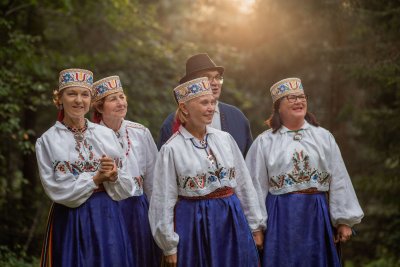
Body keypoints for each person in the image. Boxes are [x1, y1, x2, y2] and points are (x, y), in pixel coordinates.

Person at [245, 78, 364, 266]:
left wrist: (344, 220)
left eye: (302, 97)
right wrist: (256, 228)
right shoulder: (264, 142)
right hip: (280, 217)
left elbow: (339, 179)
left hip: (316, 215)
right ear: (278, 106)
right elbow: (254, 186)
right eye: (291, 98)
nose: (299, 101)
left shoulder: (323, 137)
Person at [149, 77, 264, 267]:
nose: (211, 108)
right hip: (194, 224)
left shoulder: (225, 139)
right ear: (185, 108)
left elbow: (244, 184)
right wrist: (169, 246)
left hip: (231, 220)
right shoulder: (171, 149)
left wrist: (255, 225)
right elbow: (162, 199)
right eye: (204, 103)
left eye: (212, 102)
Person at [36, 69, 136, 267]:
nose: (79, 100)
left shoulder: (105, 135)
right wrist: (95, 179)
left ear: (91, 100)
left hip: (107, 215)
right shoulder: (47, 141)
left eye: (84, 94)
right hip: (71, 218)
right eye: (71, 93)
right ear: (59, 98)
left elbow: (126, 185)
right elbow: (56, 189)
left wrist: (115, 176)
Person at [92, 75, 161, 267]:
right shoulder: (91, 136)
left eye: (122, 97)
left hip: (137, 209)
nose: (121, 102)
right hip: (107, 209)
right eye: (113, 99)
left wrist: (158, 218)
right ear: (99, 107)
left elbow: (153, 181)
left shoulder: (140, 132)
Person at [158, 53, 253, 156]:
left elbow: (250, 164)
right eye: (207, 78)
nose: (215, 83)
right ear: (192, 84)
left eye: (217, 77)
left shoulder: (237, 117)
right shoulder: (171, 124)